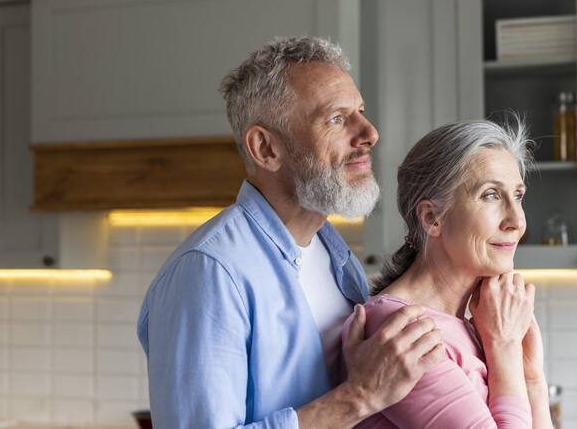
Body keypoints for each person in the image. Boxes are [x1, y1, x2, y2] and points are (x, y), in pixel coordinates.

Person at [136, 36, 445, 429]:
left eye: (361, 112)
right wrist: (359, 397)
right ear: (266, 149)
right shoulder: (210, 272)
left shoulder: (337, 259)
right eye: (336, 118)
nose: (369, 132)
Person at [343, 119, 554, 428]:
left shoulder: (475, 327)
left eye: (518, 195)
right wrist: (505, 349)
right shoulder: (401, 332)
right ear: (432, 218)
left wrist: (532, 378)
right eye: (491, 195)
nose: (517, 220)